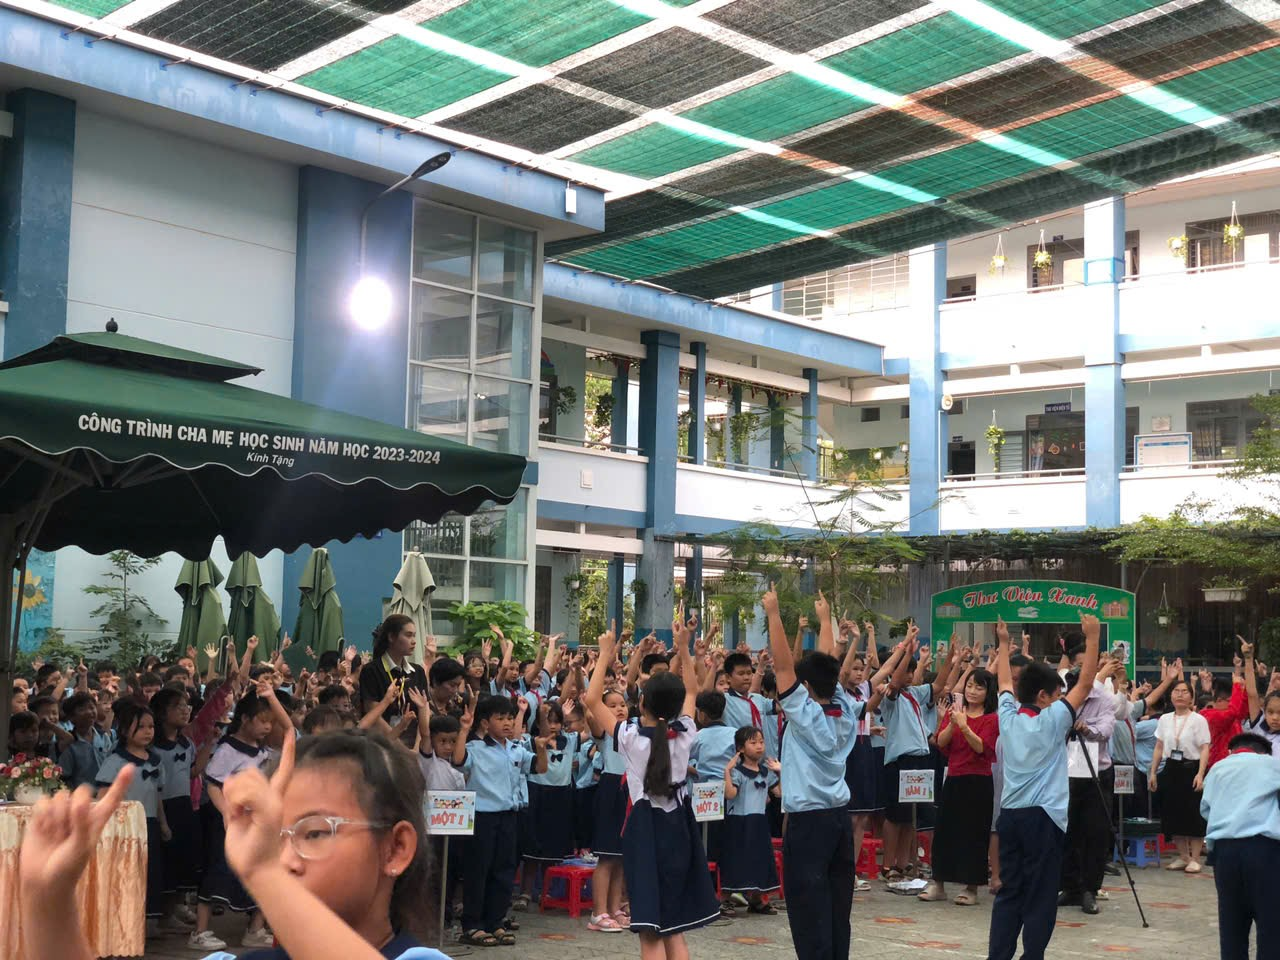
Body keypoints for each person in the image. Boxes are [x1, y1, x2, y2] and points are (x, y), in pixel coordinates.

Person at [584, 614, 720, 955]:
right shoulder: (686, 730)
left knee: (650, 930)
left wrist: (604, 653)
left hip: (645, 830)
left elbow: (591, 702)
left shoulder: (629, 735)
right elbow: (692, 688)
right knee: (674, 926)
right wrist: (684, 648)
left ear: (640, 702)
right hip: (680, 827)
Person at [988, 613, 1099, 960]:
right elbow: (1085, 684)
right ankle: (1032, 955)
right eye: (1056, 694)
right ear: (1043, 695)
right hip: (1044, 819)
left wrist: (1004, 645)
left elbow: (1004, 683)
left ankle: (999, 955)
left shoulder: (1007, 715)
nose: (1060, 699)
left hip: (1010, 816)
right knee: (1040, 895)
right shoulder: (1053, 719)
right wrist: (1093, 638)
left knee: (1010, 892)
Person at [764, 587, 862, 960]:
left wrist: (774, 613)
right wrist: (825, 621)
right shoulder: (845, 708)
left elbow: (784, 666)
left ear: (804, 689)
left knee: (808, 907)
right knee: (838, 906)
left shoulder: (805, 715)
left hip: (808, 822)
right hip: (839, 819)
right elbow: (827, 665)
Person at [190, 685, 287, 950]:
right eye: (262, 721)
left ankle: (255, 928)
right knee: (217, 871)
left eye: (270, 722)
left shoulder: (264, 751)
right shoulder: (228, 750)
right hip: (230, 823)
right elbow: (212, 783)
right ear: (244, 719)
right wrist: (225, 814)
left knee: (263, 873)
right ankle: (200, 932)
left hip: (257, 824)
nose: (267, 727)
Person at [451, 694, 549, 946]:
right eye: (500, 718)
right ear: (485, 723)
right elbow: (458, 761)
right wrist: (463, 730)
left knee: (504, 871)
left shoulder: (517, 749)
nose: (507, 723)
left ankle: (495, 921)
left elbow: (540, 768)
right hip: (482, 816)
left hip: (509, 816)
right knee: (478, 870)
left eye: (510, 718)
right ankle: (472, 925)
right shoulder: (476, 748)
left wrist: (540, 748)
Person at [879, 625, 956, 879]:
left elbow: (940, 684)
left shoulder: (916, 695)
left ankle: (904, 863)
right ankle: (889, 863)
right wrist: (907, 650)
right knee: (895, 815)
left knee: (911, 814)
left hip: (921, 757)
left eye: (913, 672)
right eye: (907, 672)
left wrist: (950, 657)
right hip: (900, 759)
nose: (910, 677)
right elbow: (896, 679)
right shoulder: (891, 697)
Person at [919, 665, 999, 906]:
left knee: (974, 833)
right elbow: (942, 744)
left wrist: (964, 726)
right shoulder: (956, 712)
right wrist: (952, 723)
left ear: (988, 691)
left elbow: (982, 748)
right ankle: (939, 883)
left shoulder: (991, 719)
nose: (972, 691)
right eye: (970, 686)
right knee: (945, 831)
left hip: (979, 781)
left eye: (979, 687)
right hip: (954, 778)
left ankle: (971, 887)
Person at [1200, 731, 1280, 960]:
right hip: (1264, 850)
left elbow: (1206, 808)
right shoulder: (1271, 765)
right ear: (1263, 751)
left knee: (1232, 924)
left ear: (1231, 750)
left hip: (1225, 853)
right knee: (1271, 925)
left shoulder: (1218, 768)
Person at [94, 699, 170, 924]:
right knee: (126, 872)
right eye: (141, 727)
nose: (148, 732)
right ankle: (122, 922)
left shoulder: (156, 761)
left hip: (150, 823)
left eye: (151, 726)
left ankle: (145, 921)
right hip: (124, 826)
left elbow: (157, 795)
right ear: (126, 730)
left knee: (150, 871)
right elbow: (103, 796)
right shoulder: (115, 761)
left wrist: (164, 824)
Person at [1058, 650, 1119, 914]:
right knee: (1066, 829)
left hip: (1097, 772)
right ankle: (1070, 886)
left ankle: (1089, 890)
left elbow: (1106, 730)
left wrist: (1086, 729)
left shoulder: (1103, 698)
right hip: (1068, 771)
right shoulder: (1063, 698)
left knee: (1095, 832)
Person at [582, 653, 631, 932]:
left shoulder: (632, 732)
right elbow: (591, 708)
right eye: (611, 706)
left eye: (622, 704)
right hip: (611, 788)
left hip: (629, 791)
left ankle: (615, 907)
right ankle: (597, 912)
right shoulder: (605, 733)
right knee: (606, 856)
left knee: (621, 856)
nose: (619, 709)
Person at [151, 686, 203, 925]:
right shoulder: (152, 747)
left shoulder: (187, 743)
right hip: (161, 806)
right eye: (178, 706)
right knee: (165, 860)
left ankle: (173, 909)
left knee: (184, 857)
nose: (185, 711)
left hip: (184, 805)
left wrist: (211, 743)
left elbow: (193, 772)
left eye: (187, 706)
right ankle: (162, 913)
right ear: (161, 713)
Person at [1148, 677, 1210, 872]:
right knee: (1172, 813)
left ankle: (1195, 859)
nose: (1180, 695)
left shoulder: (1198, 719)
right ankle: (1183, 856)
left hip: (1191, 769)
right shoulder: (1165, 719)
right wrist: (1153, 773)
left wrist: (1200, 773)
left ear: (1192, 697)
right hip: (1171, 769)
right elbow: (1159, 747)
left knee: (1193, 814)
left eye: (1185, 691)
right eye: (1176, 691)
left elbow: (1204, 748)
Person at [720, 726, 781, 913]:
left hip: (759, 822)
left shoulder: (766, 771)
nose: (759, 746)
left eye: (761, 742)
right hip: (740, 822)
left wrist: (780, 772)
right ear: (741, 748)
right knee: (737, 860)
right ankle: (724, 899)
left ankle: (756, 899)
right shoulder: (738, 772)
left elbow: (779, 793)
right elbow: (730, 794)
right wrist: (727, 772)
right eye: (753, 743)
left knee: (759, 859)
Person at [360, 615, 429, 730]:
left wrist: (419, 745)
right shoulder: (371, 670)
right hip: (382, 742)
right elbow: (374, 716)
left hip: (414, 742)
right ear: (391, 637)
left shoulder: (418, 672)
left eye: (414, 635)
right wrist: (400, 747)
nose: (414, 641)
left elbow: (425, 711)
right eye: (408, 635)